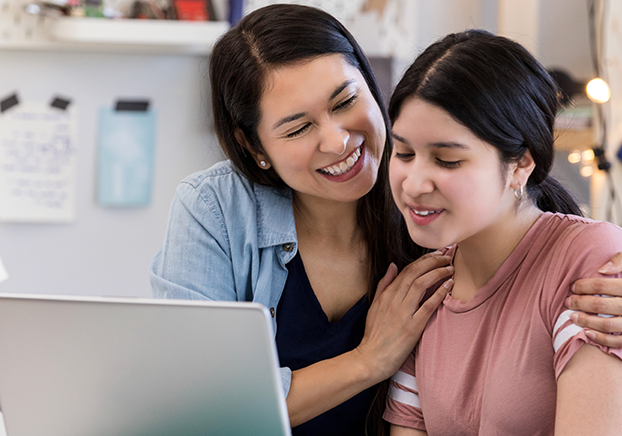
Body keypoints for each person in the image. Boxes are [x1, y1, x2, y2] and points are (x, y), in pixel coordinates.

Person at [149, 4, 622, 434]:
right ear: (255, 147)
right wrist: (368, 360)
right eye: (297, 128)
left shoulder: (430, 212)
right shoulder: (217, 209)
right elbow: (197, 410)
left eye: (344, 101)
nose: (337, 142)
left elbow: (535, 246)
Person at [384, 29, 622, 435]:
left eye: (447, 160)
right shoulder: (423, 290)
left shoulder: (586, 260)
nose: (413, 183)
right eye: (403, 153)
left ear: (521, 165)